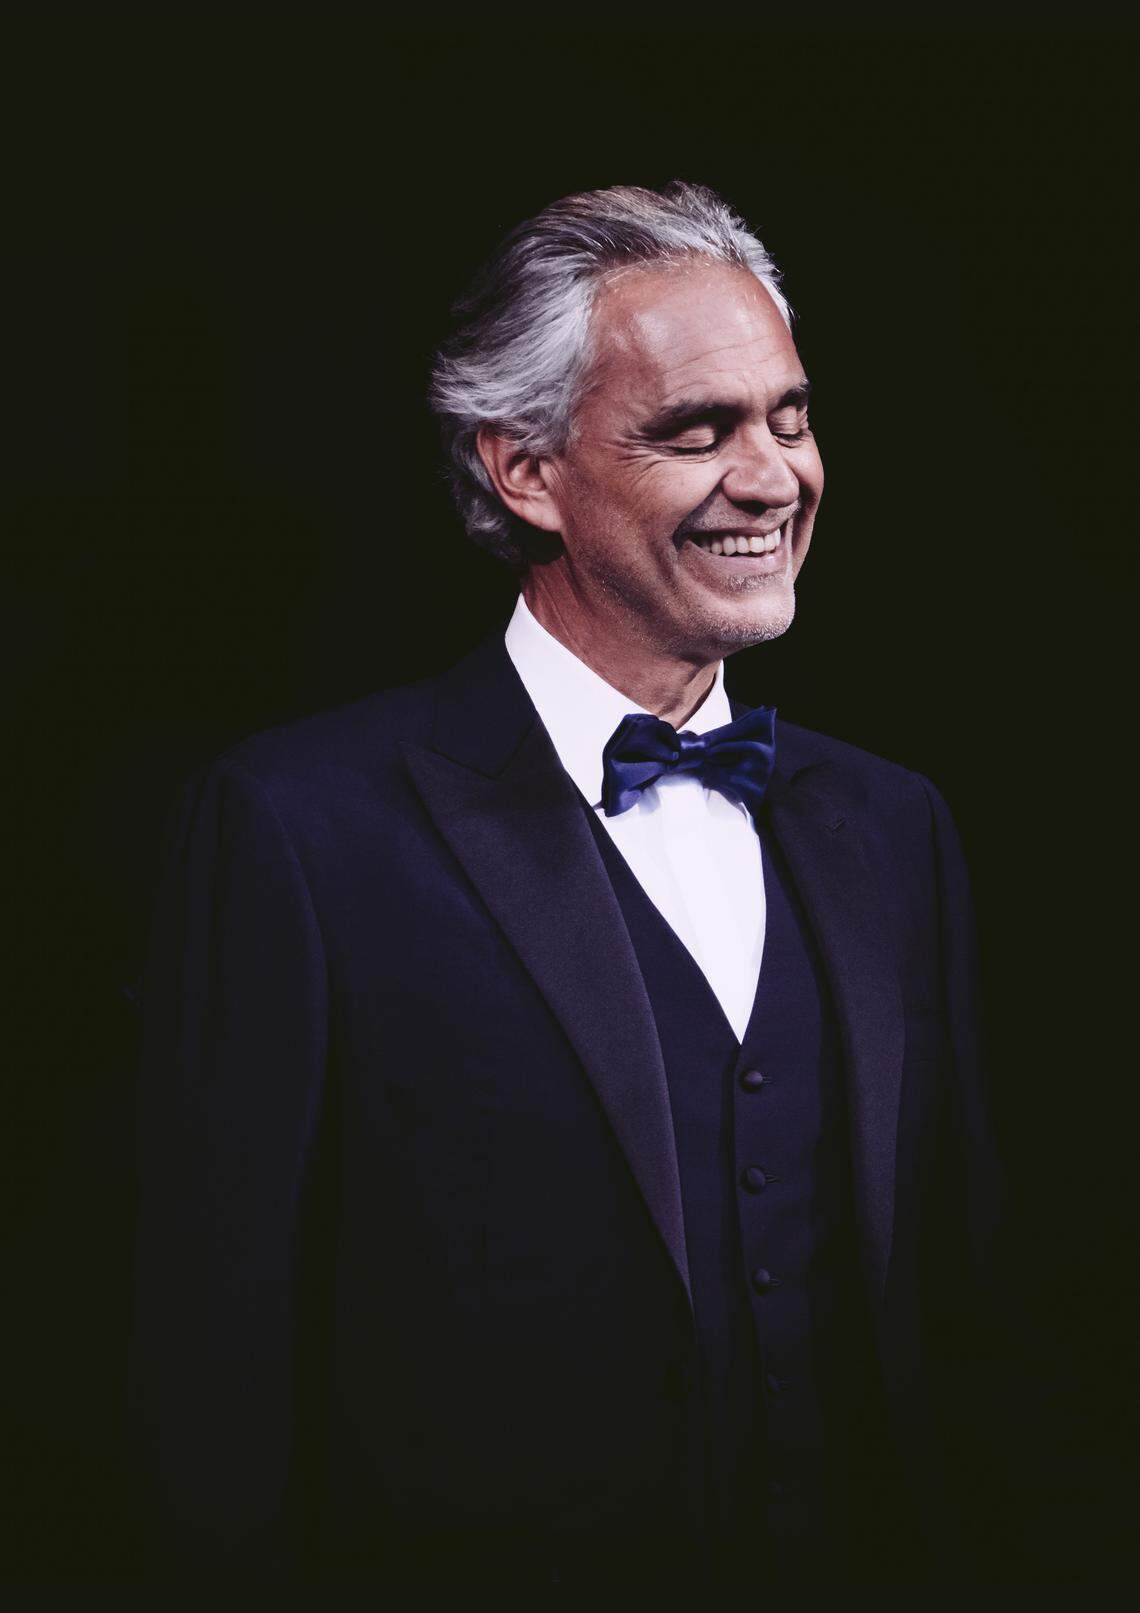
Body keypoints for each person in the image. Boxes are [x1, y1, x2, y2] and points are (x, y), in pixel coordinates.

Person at [129, 182, 1019, 1586]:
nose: (775, 476)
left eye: (789, 416)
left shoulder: (895, 826)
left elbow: (970, 1334)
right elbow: (210, 1388)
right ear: (523, 470)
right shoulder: (294, 830)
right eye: (696, 429)